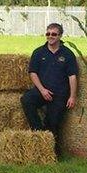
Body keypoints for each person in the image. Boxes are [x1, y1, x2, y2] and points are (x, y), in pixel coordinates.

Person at [20, 23, 78, 156]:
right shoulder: (38, 52)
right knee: (26, 99)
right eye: (48, 34)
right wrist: (42, 90)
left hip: (60, 94)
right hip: (42, 91)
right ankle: (39, 132)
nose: (50, 36)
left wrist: (72, 96)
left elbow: (72, 76)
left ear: (60, 36)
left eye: (54, 34)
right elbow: (33, 73)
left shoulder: (67, 54)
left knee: (53, 124)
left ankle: (52, 155)